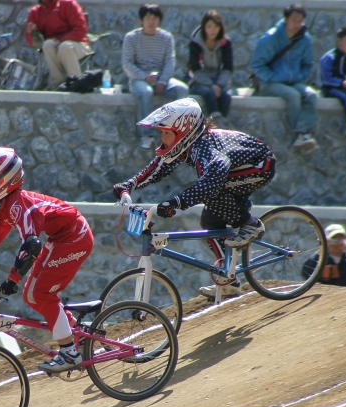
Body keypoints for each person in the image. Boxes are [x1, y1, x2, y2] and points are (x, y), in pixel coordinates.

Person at [112, 98, 275, 299]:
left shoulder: (205, 149)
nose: (161, 138)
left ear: (183, 133)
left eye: (165, 133)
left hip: (260, 166)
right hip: (234, 171)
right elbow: (159, 167)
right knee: (209, 221)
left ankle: (251, 225)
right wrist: (130, 184)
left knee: (212, 192)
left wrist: (176, 203)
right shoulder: (186, 145)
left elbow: (209, 186)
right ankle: (229, 278)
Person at [0, 147, 94, 373]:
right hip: (59, 238)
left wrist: (11, 281)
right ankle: (77, 332)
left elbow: (31, 246)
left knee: (41, 293)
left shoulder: (19, 205)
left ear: (2, 181)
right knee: (32, 295)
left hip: (75, 237)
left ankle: (69, 352)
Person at [250, 3, 318, 154]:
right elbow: (256, 65)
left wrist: (299, 76)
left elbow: (307, 65)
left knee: (311, 95)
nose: (297, 24)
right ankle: (299, 135)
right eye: (294, 20)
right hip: (270, 83)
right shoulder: (270, 38)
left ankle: (306, 133)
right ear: (286, 19)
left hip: (293, 82)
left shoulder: (304, 39)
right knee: (293, 95)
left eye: (300, 21)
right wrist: (274, 77)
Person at [122, 4, 189, 150]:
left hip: (161, 77)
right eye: (147, 18)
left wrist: (163, 81)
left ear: (159, 20)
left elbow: (170, 62)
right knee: (146, 92)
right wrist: (144, 76)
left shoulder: (166, 38)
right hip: (139, 79)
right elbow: (127, 64)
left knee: (182, 89)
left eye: (154, 18)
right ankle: (147, 135)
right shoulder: (131, 38)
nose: (151, 21)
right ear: (141, 20)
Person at [25, 0, 90, 90]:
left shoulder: (68, 4)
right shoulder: (35, 12)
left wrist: (60, 41)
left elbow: (80, 30)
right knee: (47, 45)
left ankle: (76, 82)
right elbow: (32, 42)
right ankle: (58, 84)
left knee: (65, 47)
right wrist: (31, 32)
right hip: (55, 47)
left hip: (78, 44)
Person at [187, 10, 233, 119]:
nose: (213, 30)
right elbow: (195, 70)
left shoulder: (225, 43)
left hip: (218, 81)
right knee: (209, 94)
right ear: (204, 28)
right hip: (199, 81)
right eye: (209, 27)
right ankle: (216, 123)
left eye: (216, 27)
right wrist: (211, 85)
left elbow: (228, 68)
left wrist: (218, 84)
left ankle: (219, 125)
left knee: (226, 96)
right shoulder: (195, 43)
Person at [302, 223, 346, 288]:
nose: (337, 243)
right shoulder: (322, 261)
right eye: (334, 239)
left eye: (340, 238)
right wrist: (321, 250)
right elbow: (306, 272)